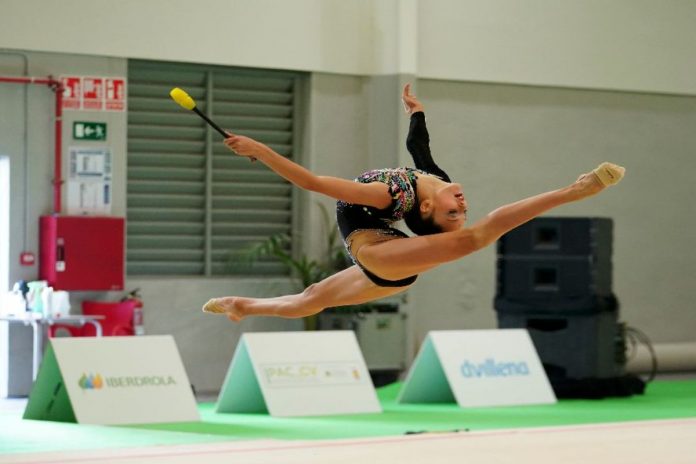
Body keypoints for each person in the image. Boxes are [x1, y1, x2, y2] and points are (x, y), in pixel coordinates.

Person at [203, 84, 625, 322]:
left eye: (452, 212)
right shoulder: (433, 181)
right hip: (388, 263)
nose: (461, 202)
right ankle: (242, 306)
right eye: (459, 209)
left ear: (425, 212)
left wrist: (261, 151)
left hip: (382, 255)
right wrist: (416, 113)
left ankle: (575, 190)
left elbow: (313, 182)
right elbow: (419, 149)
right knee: (310, 298)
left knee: (477, 238)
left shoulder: (387, 195)